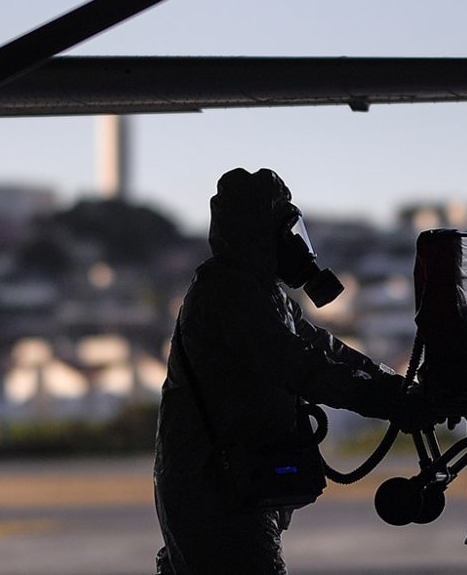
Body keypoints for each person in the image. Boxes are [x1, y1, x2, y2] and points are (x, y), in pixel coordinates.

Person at [154, 167, 423, 574]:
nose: (295, 245)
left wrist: (393, 384)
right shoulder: (228, 294)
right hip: (214, 491)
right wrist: (386, 400)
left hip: (233, 483)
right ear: (261, 234)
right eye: (286, 232)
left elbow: (322, 347)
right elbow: (299, 365)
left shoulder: (262, 294)